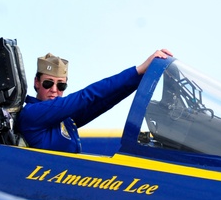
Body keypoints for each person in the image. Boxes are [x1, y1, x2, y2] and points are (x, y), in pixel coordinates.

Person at [18, 49, 172, 152]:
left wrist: (141, 77)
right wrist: (138, 69)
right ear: (36, 83)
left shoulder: (63, 119)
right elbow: (87, 96)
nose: (54, 90)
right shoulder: (31, 114)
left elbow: (103, 101)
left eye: (61, 85)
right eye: (48, 83)